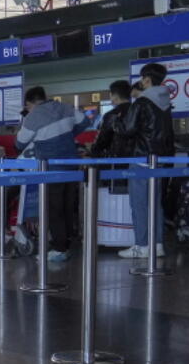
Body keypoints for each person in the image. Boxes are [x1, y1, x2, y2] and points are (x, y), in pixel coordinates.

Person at [15, 86, 90, 261]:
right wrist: (67, 135)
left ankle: (59, 249)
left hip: (51, 168)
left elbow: (19, 143)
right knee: (67, 205)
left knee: (54, 209)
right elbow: (85, 122)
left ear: (29, 103)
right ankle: (67, 242)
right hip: (71, 164)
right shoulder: (64, 106)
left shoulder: (33, 116)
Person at [113, 62, 173, 258]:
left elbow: (127, 129)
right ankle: (158, 244)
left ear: (147, 79)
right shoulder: (165, 103)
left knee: (139, 204)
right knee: (156, 204)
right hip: (159, 159)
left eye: (142, 79)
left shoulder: (142, 103)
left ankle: (141, 245)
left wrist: (115, 120)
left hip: (141, 158)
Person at [91, 80, 135, 157]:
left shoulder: (111, 115)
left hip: (116, 158)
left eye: (110, 94)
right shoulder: (139, 111)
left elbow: (103, 140)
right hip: (138, 157)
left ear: (115, 96)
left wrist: (93, 150)